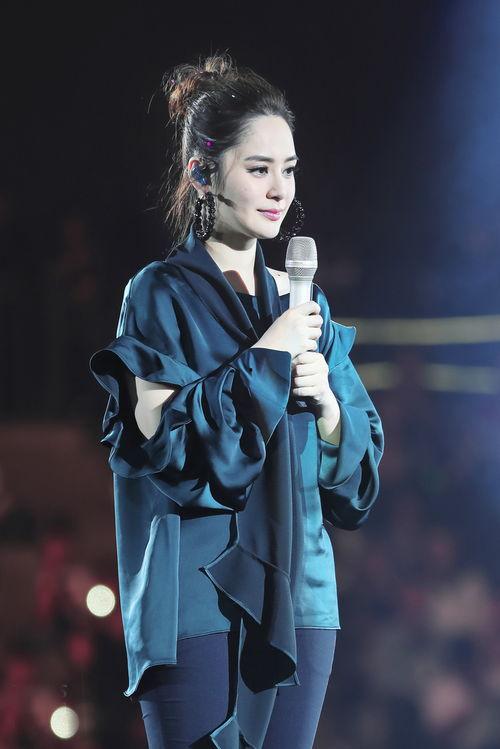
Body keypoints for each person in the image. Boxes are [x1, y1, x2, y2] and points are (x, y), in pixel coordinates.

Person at [89, 52, 384, 749]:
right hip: (195, 596)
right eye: (258, 169)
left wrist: (331, 410)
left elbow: (358, 483)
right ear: (202, 172)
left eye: (289, 169)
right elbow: (171, 451)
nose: (279, 190)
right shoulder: (159, 295)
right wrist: (266, 357)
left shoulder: (304, 305)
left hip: (303, 595)